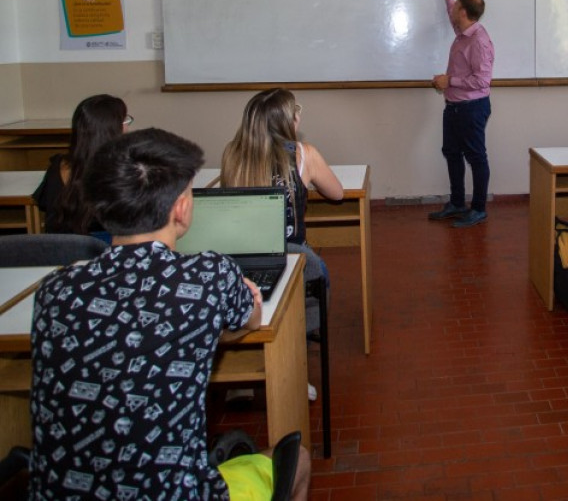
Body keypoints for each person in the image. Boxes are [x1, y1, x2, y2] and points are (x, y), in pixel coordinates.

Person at [29, 128, 311, 500]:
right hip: (175, 493)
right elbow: (252, 320)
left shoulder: (54, 290)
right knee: (298, 460)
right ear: (181, 207)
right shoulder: (209, 276)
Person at [221, 88, 343, 337]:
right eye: (295, 112)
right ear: (288, 121)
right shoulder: (303, 153)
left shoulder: (232, 154)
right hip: (293, 253)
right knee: (320, 270)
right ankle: (306, 333)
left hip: (242, 255)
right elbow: (337, 193)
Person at [427, 0, 495, 228]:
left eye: (456, 6)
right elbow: (451, 15)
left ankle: (478, 208)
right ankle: (457, 203)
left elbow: (482, 81)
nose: (452, 8)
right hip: (455, 107)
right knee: (452, 153)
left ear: (463, 12)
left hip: (472, 108)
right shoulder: (464, 31)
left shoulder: (478, 41)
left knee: (476, 157)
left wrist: (450, 81)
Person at [32, 93, 131, 237]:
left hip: (61, 252)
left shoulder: (57, 166)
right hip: (106, 253)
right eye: (125, 121)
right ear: (113, 130)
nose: (127, 128)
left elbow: (47, 211)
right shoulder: (124, 170)